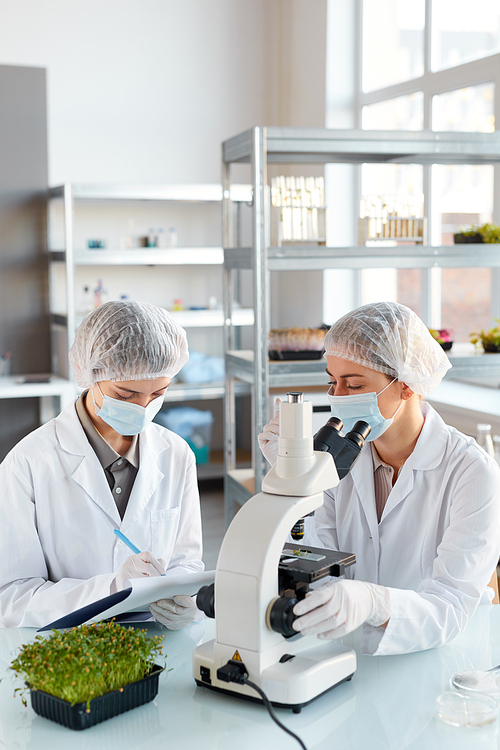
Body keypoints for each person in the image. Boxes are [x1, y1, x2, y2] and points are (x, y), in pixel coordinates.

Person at [259, 301, 500, 656]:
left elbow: (450, 606)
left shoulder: (471, 471)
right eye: (332, 382)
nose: (337, 398)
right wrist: (293, 483)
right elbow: (318, 558)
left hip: (443, 656)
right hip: (350, 649)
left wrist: (377, 603)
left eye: (354, 385)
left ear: (406, 385)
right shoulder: (336, 461)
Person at [0, 300, 203, 629]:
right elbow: (12, 598)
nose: (143, 408)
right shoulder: (29, 463)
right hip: (65, 652)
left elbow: (186, 563)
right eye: (125, 395)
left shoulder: (177, 454)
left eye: (157, 394)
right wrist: (112, 590)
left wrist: (184, 599)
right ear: (89, 373)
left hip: (155, 646)